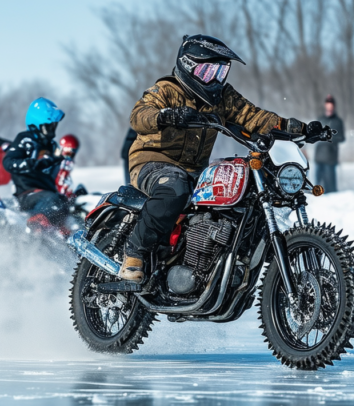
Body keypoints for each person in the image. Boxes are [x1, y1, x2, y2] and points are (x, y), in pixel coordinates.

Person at [120, 34, 321, 283]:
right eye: (208, 71)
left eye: (220, 71)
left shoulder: (223, 97)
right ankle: (134, 255)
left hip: (194, 169)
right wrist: (166, 116)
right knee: (174, 189)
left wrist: (302, 129)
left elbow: (256, 117)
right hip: (152, 162)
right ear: (188, 67)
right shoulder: (166, 90)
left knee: (239, 197)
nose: (215, 79)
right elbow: (139, 114)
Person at [3, 97, 69, 233]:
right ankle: (36, 228)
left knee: (68, 203)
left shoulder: (53, 146)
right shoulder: (25, 140)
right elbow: (8, 162)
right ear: (39, 124)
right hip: (27, 194)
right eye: (50, 125)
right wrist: (32, 164)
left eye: (54, 125)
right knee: (52, 201)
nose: (53, 129)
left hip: (50, 195)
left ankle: (66, 241)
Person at [314, 95, 345, 193]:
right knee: (318, 188)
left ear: (334, 106)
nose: (329, 108)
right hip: (318, 157)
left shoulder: (338, 121)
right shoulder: (320, 119)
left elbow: (342, 137)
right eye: (328, 105)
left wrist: (330, 137)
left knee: (330, 189)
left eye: (331, 106)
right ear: (325, 106)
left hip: (330, 158)